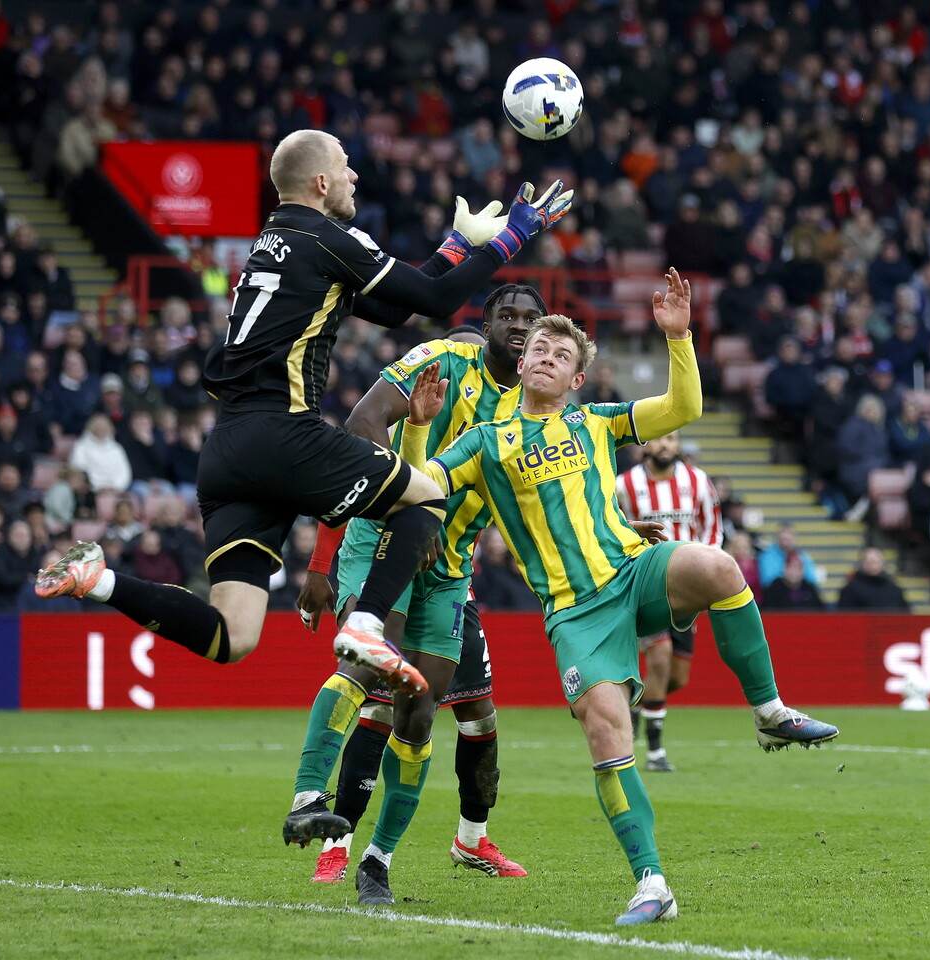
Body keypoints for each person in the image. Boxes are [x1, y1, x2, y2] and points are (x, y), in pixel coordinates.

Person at [34, 129, 573, 792]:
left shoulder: (275, 246)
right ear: (319, 183)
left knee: (233, 636)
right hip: (282, 434)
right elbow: (432, 304)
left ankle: (99, 581)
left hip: (226, 454)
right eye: (346, 168)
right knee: (427, 497)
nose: (353, 178)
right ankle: (370, 626)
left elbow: (395, 303)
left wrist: (460, 246)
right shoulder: (325, 237)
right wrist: (514, 235)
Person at [393, 269, 837, 924]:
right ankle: (652, 882)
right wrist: (415, 428)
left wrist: (679, 337)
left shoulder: (596, 422)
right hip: (576, 612)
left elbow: (683, 408)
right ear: (522, 366)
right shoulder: (485, 441)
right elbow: (416, 484)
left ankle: (768, 709)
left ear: (577, 379)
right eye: (537, 349)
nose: (543, 355)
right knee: (606, 731)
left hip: (632, 571)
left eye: (560, 354)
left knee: (717, 565)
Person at [285, 289, 547, 885]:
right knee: (371, 667)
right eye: (506, 316)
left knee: (420, 711)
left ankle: (377, 862)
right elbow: (359, 425)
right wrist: (407, 508)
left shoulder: (535, 413)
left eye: (530, 319)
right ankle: (310, 800)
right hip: (387, 536)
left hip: (452, 566)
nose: (518, 327)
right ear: (484, 327)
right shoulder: (441, 361)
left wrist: (610, 532)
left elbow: (534, 502)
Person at [616, 429, 723, 772]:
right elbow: (611, 528)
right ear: (644, 446)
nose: (666, 445)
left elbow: (712, 530)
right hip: (646, 585)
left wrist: (707, 571)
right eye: (660, 438)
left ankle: (634, 706)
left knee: (677, 677)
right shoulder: (624, 484)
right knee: (658, 660)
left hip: (688, 590)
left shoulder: (698, 481)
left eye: (673, 439)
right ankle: (655, 752)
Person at [835, 548, 911, 610]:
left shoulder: (894, 589)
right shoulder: (850, 589)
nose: (873, 565)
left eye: (876, 562)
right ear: (862, 564)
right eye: (869, 562)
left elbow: (906, 615)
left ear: (883, 563)